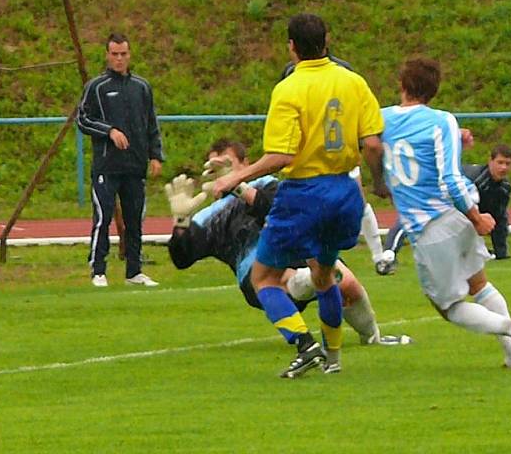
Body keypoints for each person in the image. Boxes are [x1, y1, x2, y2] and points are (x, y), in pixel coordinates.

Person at [210, 13, 387, 378]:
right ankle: (333, 360)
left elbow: (282, 156)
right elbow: (372, 144)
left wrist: (236, 177)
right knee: (324, 277)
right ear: (327, 40)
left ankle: (304, 345)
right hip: (344, 191)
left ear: (291, 45)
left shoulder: (289, 88)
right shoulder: (353, 82)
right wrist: (379, 183)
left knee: (263, 279)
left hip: (304, 193)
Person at [166, 139, 411, 358]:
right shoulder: (209, 215)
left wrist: (239, 186)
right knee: (293, 278)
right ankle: (308, 287)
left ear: (245, 163)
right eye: (213, 168)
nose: (219, 173)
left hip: (299, 250)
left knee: (347, 283)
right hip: (254, 272)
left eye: (227, 164)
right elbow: (182, 258)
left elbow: (278, 208)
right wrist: (180, 221)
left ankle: (372, 337)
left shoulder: (266, 184)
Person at [376, 57, 511, 369]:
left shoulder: (381, 119)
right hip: (457, 216)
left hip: (429, 228)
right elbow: (439, 163)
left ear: (401, 85)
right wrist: (473, 215)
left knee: (448, 307)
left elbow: (440, 173)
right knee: (479, 284)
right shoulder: (443, 121)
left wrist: (477, 218)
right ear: (434, 91)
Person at [282, 54, 387, 272]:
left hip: (338, 157)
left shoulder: (344, 72)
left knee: (358, 202)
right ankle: (311, 261)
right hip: (309, 160)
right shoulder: (292, 73)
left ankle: (378, 256)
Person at [76, 32, 164, 288]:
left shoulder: (141, 87)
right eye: (114, 54)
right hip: (107, 165)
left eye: (123, 54)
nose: (119, 59)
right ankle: (98, 269)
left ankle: (134, 270)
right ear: (107, 55)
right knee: (103, 217)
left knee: (135, 218)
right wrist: (109, 131)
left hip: (134, 166)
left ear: (129, 55)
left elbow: (151, 123)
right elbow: (83, 119)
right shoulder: (97, 87)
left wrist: (155, 155)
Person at [377, 144, 511, 275]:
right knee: (413, 217)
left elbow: (500, 217)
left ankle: (464, 256)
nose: (503, 168)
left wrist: (501, 252)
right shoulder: (475, 179)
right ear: (490, 161)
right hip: (438, 192)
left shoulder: (504, 188)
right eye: (500, 162)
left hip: (460, 212)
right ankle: (389, 253)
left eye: (507, 164)